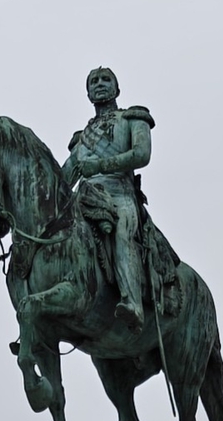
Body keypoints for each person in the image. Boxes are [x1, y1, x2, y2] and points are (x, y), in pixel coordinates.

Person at [59, 66, 154, 325]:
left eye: (106, 79)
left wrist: (100, 166)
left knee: (123, 232)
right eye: (93, 81)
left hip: (119, 194)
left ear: (117, 88)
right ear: (88, 94)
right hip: (85, 197)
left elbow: (141, 155)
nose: (99, 84)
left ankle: (132, 302)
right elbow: (65, 178)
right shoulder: (81, 139)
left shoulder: (132, 118)